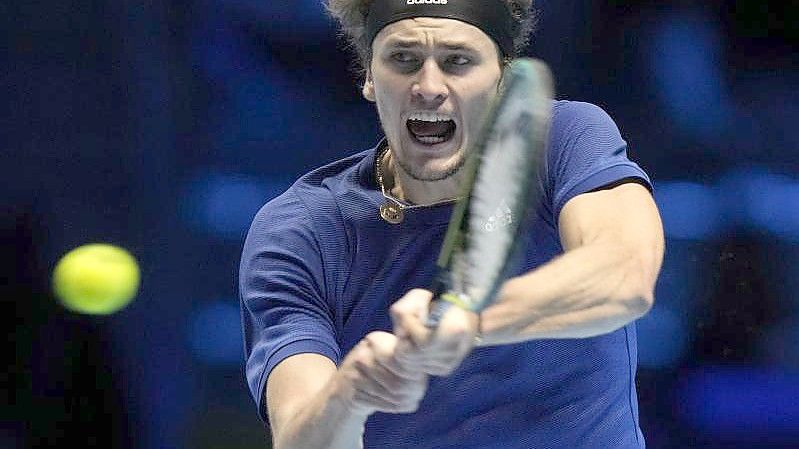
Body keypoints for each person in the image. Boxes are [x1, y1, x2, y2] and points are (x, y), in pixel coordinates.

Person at [239, 0, 665, 448]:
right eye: (403, 59)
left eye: (457, 61)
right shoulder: (300, 231)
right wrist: (350, 395)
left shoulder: (562, 139)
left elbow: (625, 273)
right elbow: (298, 438)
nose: (428, 86)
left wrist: (466, 316)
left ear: (501, 77)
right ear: (368, 74)